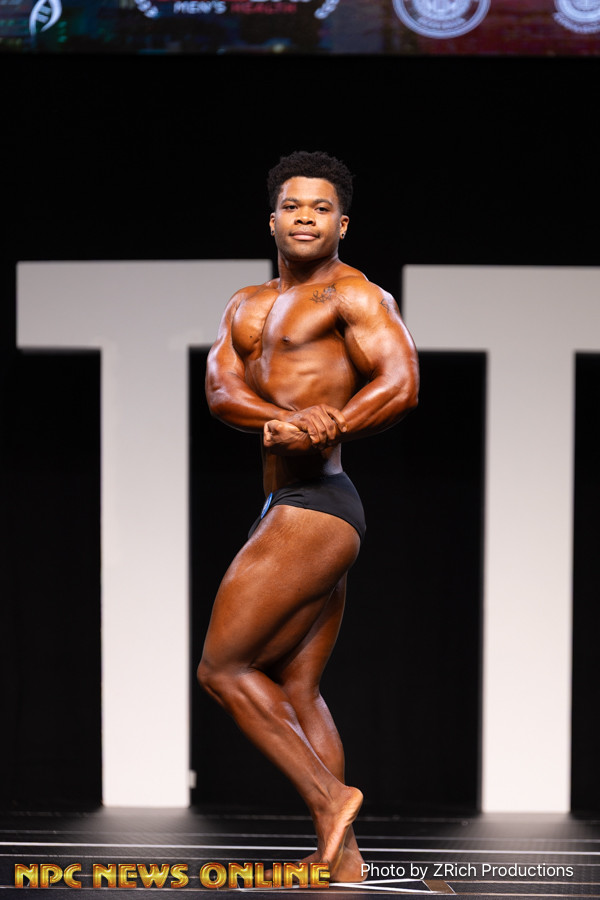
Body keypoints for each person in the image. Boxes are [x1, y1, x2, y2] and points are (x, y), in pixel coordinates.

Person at [197, 150, 419, 883]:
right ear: (272, 220)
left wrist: (334, 424)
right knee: (297, 690)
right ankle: (345, 862)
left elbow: (401, 382)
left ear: (342, 224)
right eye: (293, 206)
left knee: (223, 669)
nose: (305, 218)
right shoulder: (245, 304)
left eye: (321, 208)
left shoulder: (354, 296)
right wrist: (282, 421)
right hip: (287, 503)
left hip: (318, 503)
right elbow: (222, 392)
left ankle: (331, 799)